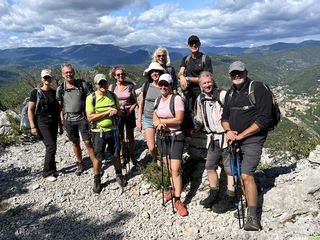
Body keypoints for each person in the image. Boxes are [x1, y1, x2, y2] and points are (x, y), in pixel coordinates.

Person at [222, 61, 273, 231]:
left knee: (245, 174)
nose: (236, 76)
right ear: (229, 75)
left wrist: (242, 135)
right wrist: (228, 131)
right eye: (233, 73)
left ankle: (252, 217)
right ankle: (250, 200)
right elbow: (224, 118)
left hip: (253, 139)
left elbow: (265, 119)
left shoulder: (257, 88)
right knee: (237, 172)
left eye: (240, 72)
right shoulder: (230, 94)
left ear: (246, 72)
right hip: (235, 139)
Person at [193, 71, 236, 212]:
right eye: (204, 83)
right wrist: (194, 127)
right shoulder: (200, 99)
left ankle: (230, 196)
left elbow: (233, 113)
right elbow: (199, 117)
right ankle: (214, 193)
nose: (207, 85)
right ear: (200, 85)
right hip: (212, 138)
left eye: (209, 82)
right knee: (210, 166)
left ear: (213, 82)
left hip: (226, 137)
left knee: (229, 169)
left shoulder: (222, 95)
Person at [153, 73, 187, 217]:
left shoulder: (177, 99)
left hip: (176, 136)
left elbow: (179, 120)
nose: (163, 87)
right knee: (167, 164)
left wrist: (162, 122)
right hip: (162, 137)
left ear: (171, 85)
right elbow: (154, 118)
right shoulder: (157, 100)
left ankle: (178, 200)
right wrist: (158, 124)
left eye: (165, 84)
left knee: (176, 169)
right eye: (161, 84)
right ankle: (172, 189)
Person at [86, 74, 127, 193]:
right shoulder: (91, 98)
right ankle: (97, 179)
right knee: (98, 158)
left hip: (113, 130)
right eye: (100, 83)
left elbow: (119, 112)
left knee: (115, 155)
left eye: (104, 82)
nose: (102, 85)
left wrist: (117, 112)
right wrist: (107, 112)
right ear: (96, 85)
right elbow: (90, 117)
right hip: (98, 132)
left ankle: (118, 175)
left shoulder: (113, 96)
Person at [56, 63, 98, 177]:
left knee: (88, 141)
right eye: (66, 72)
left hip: (82, 117)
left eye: (70, 72)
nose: (69, 74)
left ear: (73, 72)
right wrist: (62, 121)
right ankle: (80, 163)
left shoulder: (81, 85)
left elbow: (90, 99)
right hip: (68, 119)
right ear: (62, 74)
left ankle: (95, 161)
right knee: (75, 142)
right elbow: (59, 106)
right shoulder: (61, 88)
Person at [28, 69, 62, 182]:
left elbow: (58, 109)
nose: (47, 79)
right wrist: (33, 126)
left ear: (52, 78)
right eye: (45, 77)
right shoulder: (35, 93)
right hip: (42, 122)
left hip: (53, 122)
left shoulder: (53, 92)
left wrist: (61, 124)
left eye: (49, 77)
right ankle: (46, 172)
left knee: (53, 146)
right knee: (50, 146)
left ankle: (53, 169)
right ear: (41, 79)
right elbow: (30, 110)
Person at [109, 66, 138, 167]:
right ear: (114, 76)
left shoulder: (130, 86)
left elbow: (135, 101)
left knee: (130, 135)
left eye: (122, 74)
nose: (121, 76)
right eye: (118, 74)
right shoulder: (112, 88)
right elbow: (109, 102)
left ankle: (132, 155)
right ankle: (122, 155)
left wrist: (130, 110)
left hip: (129, 112)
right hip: (118, 114)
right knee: (120, 135)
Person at [137, 62, 165, 163]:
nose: (154, 73)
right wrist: (139, 121)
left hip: (160, 119)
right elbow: (141, 103)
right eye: (152, 72)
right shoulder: (146, 86)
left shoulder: (164, 86)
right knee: (151, 147)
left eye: (156, 71)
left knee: (162, 144)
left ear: (160, 72)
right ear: (149, 74)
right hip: (148, 119)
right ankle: (156, 159)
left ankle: (162, 163)